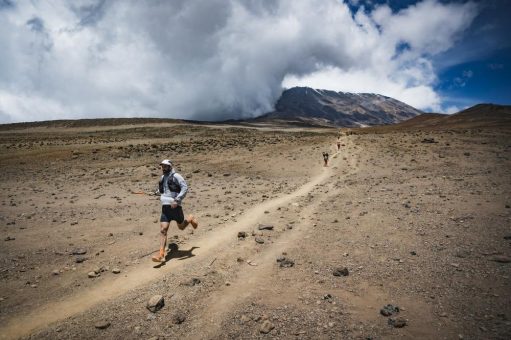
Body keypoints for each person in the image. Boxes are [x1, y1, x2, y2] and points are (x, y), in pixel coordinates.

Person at [152, 159, 198, 263]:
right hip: (165, 208)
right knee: (163, 230)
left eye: (166, 166)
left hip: (175, 207)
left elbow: (185, 188)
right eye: (162, 166)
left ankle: (190, 219)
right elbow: (164, 189)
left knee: (181, 227)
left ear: (170, 167)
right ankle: (161, 255)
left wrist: (177, 200)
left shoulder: (177, 176)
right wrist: (156, 192)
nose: (163, 168)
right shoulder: (163, 177)